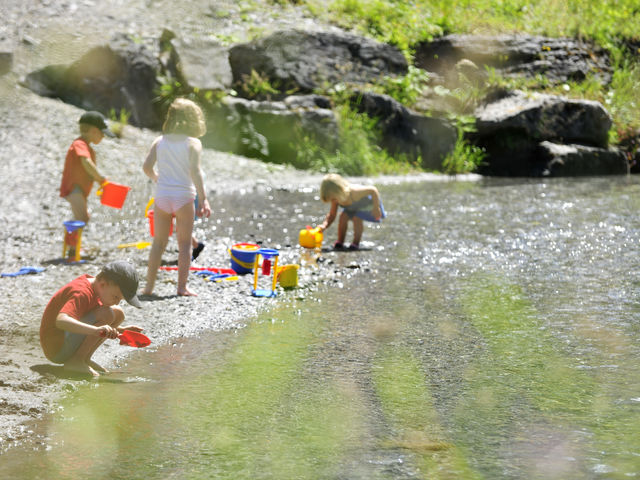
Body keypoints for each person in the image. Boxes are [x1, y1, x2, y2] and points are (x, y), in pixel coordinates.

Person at [142, 98, 211, 296]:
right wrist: (203, 199)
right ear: (193, 120)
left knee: (158, 244)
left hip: (162, 197)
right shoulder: (193, 143)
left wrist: (157, 179)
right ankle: (181, 288)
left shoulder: (159, 142)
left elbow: (146, 167)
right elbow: (195, 172)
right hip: (183, 197)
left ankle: (148, 287)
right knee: (184, 244)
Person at [39, 261, 143, 377]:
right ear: (103, 284)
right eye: (115, 297)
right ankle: (76, 361)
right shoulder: (81, 292)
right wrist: (94, 330)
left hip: (66, 340)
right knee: (106, 313)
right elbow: (61, 321)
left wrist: (120, 330)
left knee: (118, 313)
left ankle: (85, 358)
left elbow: (84, 318)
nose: (117, 302)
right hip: (56, 349)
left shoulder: (96, 287)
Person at [59, 111, 115, 224]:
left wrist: (101, 181)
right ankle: (70, 241)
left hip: (79, 190)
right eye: (102, 133)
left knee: (82, 218)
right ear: (94, 131)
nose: (103, 136)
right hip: (74, 188)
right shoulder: (80, 144)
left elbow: (88, 171)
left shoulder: (87, 148)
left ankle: (72, 240)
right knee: (82, 218)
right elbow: (86, 162)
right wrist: (100, 179)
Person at [317, 173, 386, 250]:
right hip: (352, 207)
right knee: (342, 217)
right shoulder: (335, 199)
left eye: (334, 198)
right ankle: (340, 242)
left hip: (367, 204)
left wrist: (376, 208)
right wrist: (324, 225)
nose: (334, 201)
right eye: (332, 199)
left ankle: (355, 243)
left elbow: (373, 190)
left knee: (357, 218)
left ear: (340, 191)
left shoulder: (355, 192)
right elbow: (332, 215)